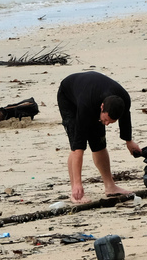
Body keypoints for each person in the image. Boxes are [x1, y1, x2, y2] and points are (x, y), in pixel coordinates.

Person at [57, 72, 141, 203]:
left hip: (92, 91)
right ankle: (75, 191)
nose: (107, 124)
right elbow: (78, 149)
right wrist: (79, 183)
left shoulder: (123, 100)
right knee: (76, 142)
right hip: (69, 97)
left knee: (99, 143)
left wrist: (129, 141)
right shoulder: (86, 106)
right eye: (106, 119)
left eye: (110, 121)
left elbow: (125, 119)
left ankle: (110, 186)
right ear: (102, 107)